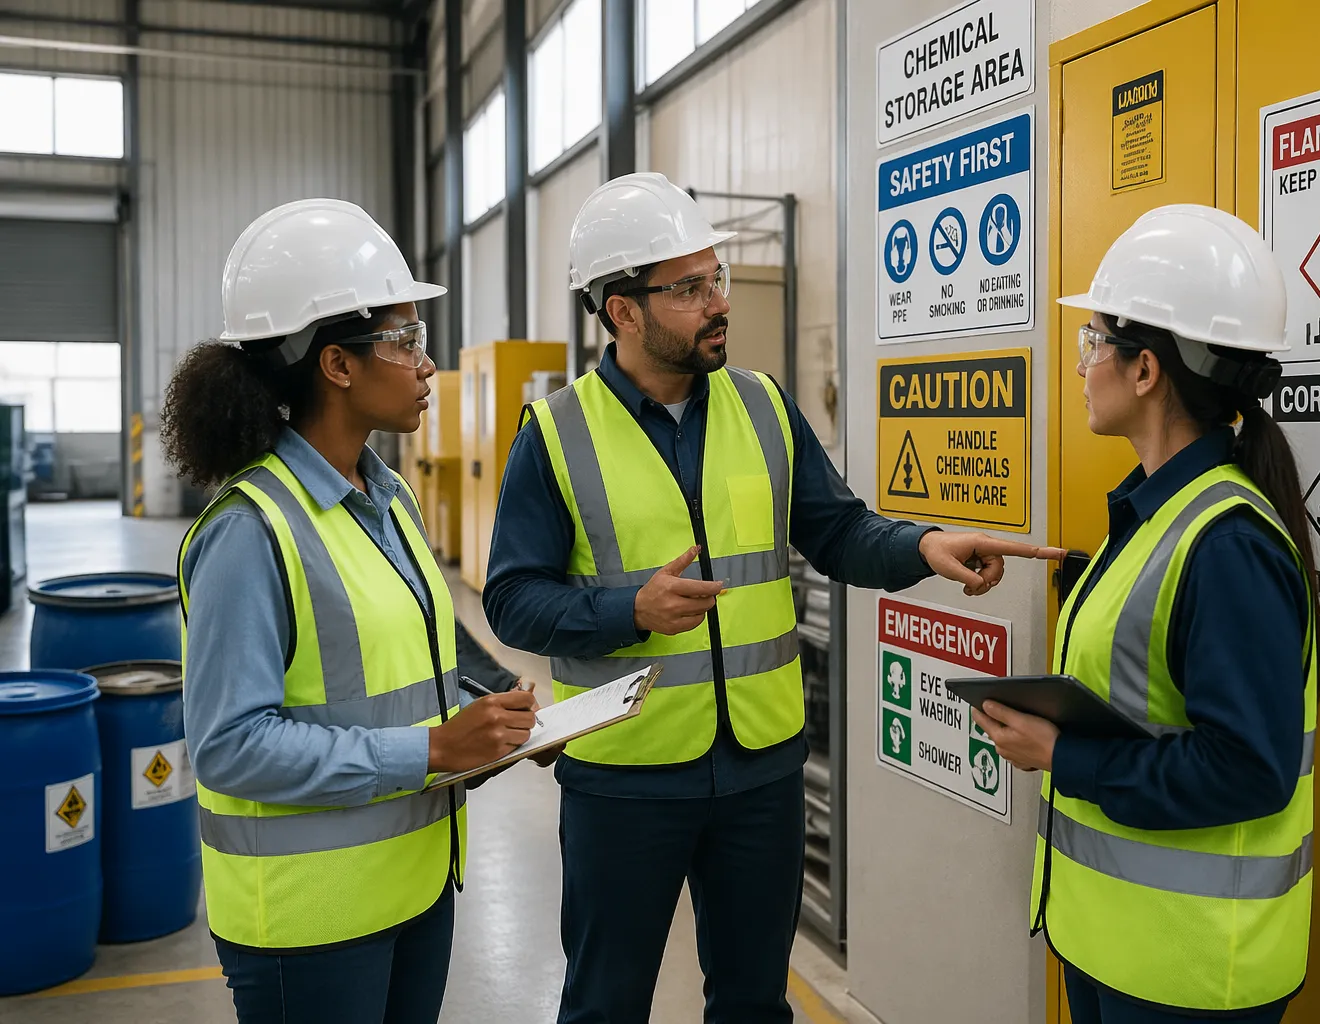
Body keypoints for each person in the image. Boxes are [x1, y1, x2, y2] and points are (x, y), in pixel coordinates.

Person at [481, 171, 1064, 1024]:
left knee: (756, 1004)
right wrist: (627, 612)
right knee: (605, 1005)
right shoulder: (558, 435)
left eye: (716, 276)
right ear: (623, 312)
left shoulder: (761, 406)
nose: (719, 301)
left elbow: (840, 531)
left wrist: (924, 546)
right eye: (689, 288)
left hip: (761, 770)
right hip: (626, 780)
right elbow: (511, 600)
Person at [164, 198, 540, 1024]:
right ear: (336, 364)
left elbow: (417, 660)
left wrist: (497, 719)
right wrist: (434, 748)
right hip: (311, 926)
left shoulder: (386, 495)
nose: (427, 364)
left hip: (413, 886)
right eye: (406, 341)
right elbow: (229, 748)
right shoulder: (249, 534)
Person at [972, 204, 1319, 1023]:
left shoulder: (1226, 542)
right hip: (1115, 947)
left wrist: (1064, 754)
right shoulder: (1163, 515)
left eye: (1093, 344)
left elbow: (1248, 770)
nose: (1082, 363)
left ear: (1145, 371)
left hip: (1188, 974)